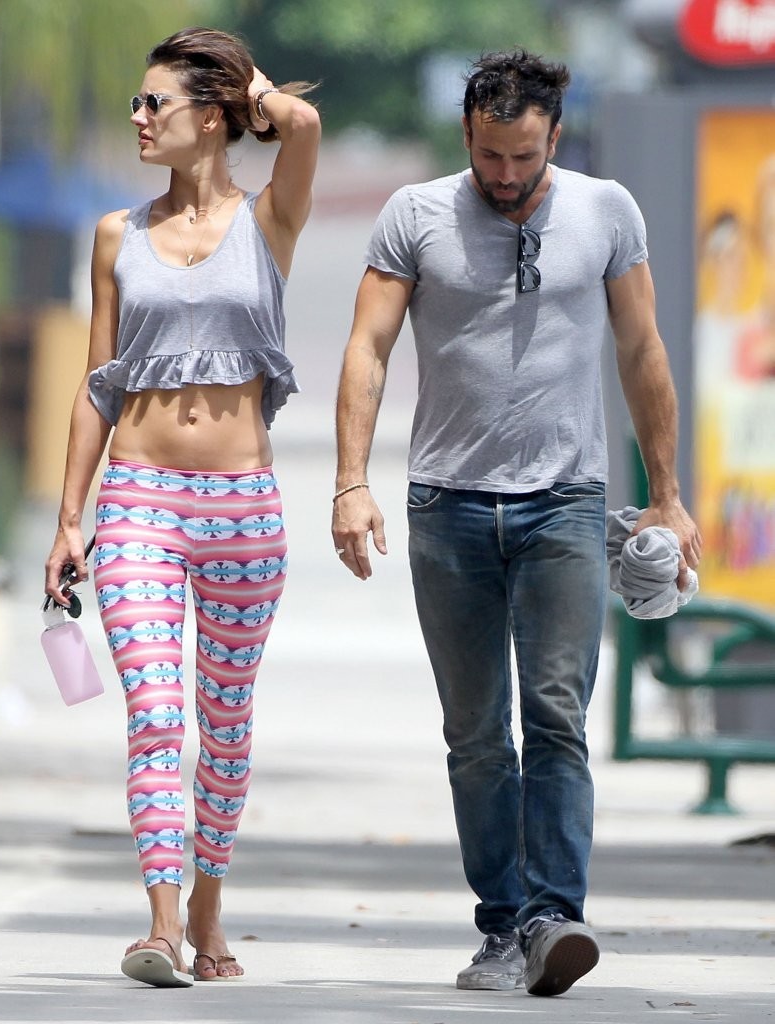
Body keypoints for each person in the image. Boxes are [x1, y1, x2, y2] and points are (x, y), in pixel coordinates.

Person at [332, 49, 700, 998]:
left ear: (554, 137)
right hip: (445, 504)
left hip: (565, 503)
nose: (505, 175)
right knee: (476, 734)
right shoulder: (414, 214)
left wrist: (666, 495)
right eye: (490, 155)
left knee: (556, 718)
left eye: (524, 157)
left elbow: (641, 349)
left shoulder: (606, 211)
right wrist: (349, 482)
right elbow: (367, 346)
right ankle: (500, 926)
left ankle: (552, 918)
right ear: (466, 134)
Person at [44, 26, 320, 987]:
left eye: (154, 101)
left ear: (210, 117)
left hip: (243, 506)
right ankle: (161, 925)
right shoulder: (116, 235)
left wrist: (249, 85)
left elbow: (302, 126)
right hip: (139, 500)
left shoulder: (270, 219)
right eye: (136, 100)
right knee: (158, 712)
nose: (138, 116)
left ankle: (208, 901)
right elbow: (98, 384)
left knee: (224, 723)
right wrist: (70, 518)